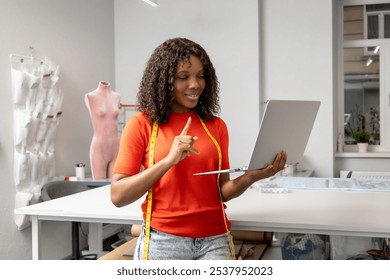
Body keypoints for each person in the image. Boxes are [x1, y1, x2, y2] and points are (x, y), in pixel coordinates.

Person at [110, 38, 287, 260]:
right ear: (164, 81)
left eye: (201, 75)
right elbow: (118, 196)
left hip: (215, 239)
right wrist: (168, 161)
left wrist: (253, 176)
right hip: (164, 242)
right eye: (183, 77)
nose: (195, 84)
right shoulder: (142, 124)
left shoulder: (216, 126)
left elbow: (222, 191)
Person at [85, 81, 121, 180]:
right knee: (98, 188)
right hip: (99, 147)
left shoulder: (116, 96)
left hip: (115, 146)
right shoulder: (90, 96)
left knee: (115, 186)